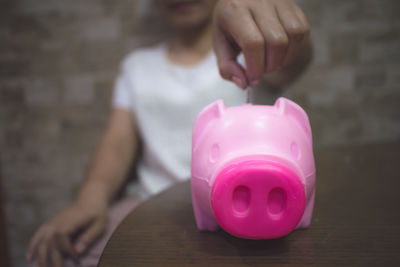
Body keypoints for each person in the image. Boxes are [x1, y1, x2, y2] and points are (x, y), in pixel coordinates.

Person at [27, 0, 312, 266]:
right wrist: (90, 199)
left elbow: (297, 52)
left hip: (251, 210)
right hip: (151, 202)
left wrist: (271, 17)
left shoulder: (254, 53)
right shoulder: (137, 67)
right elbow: (116, 145)